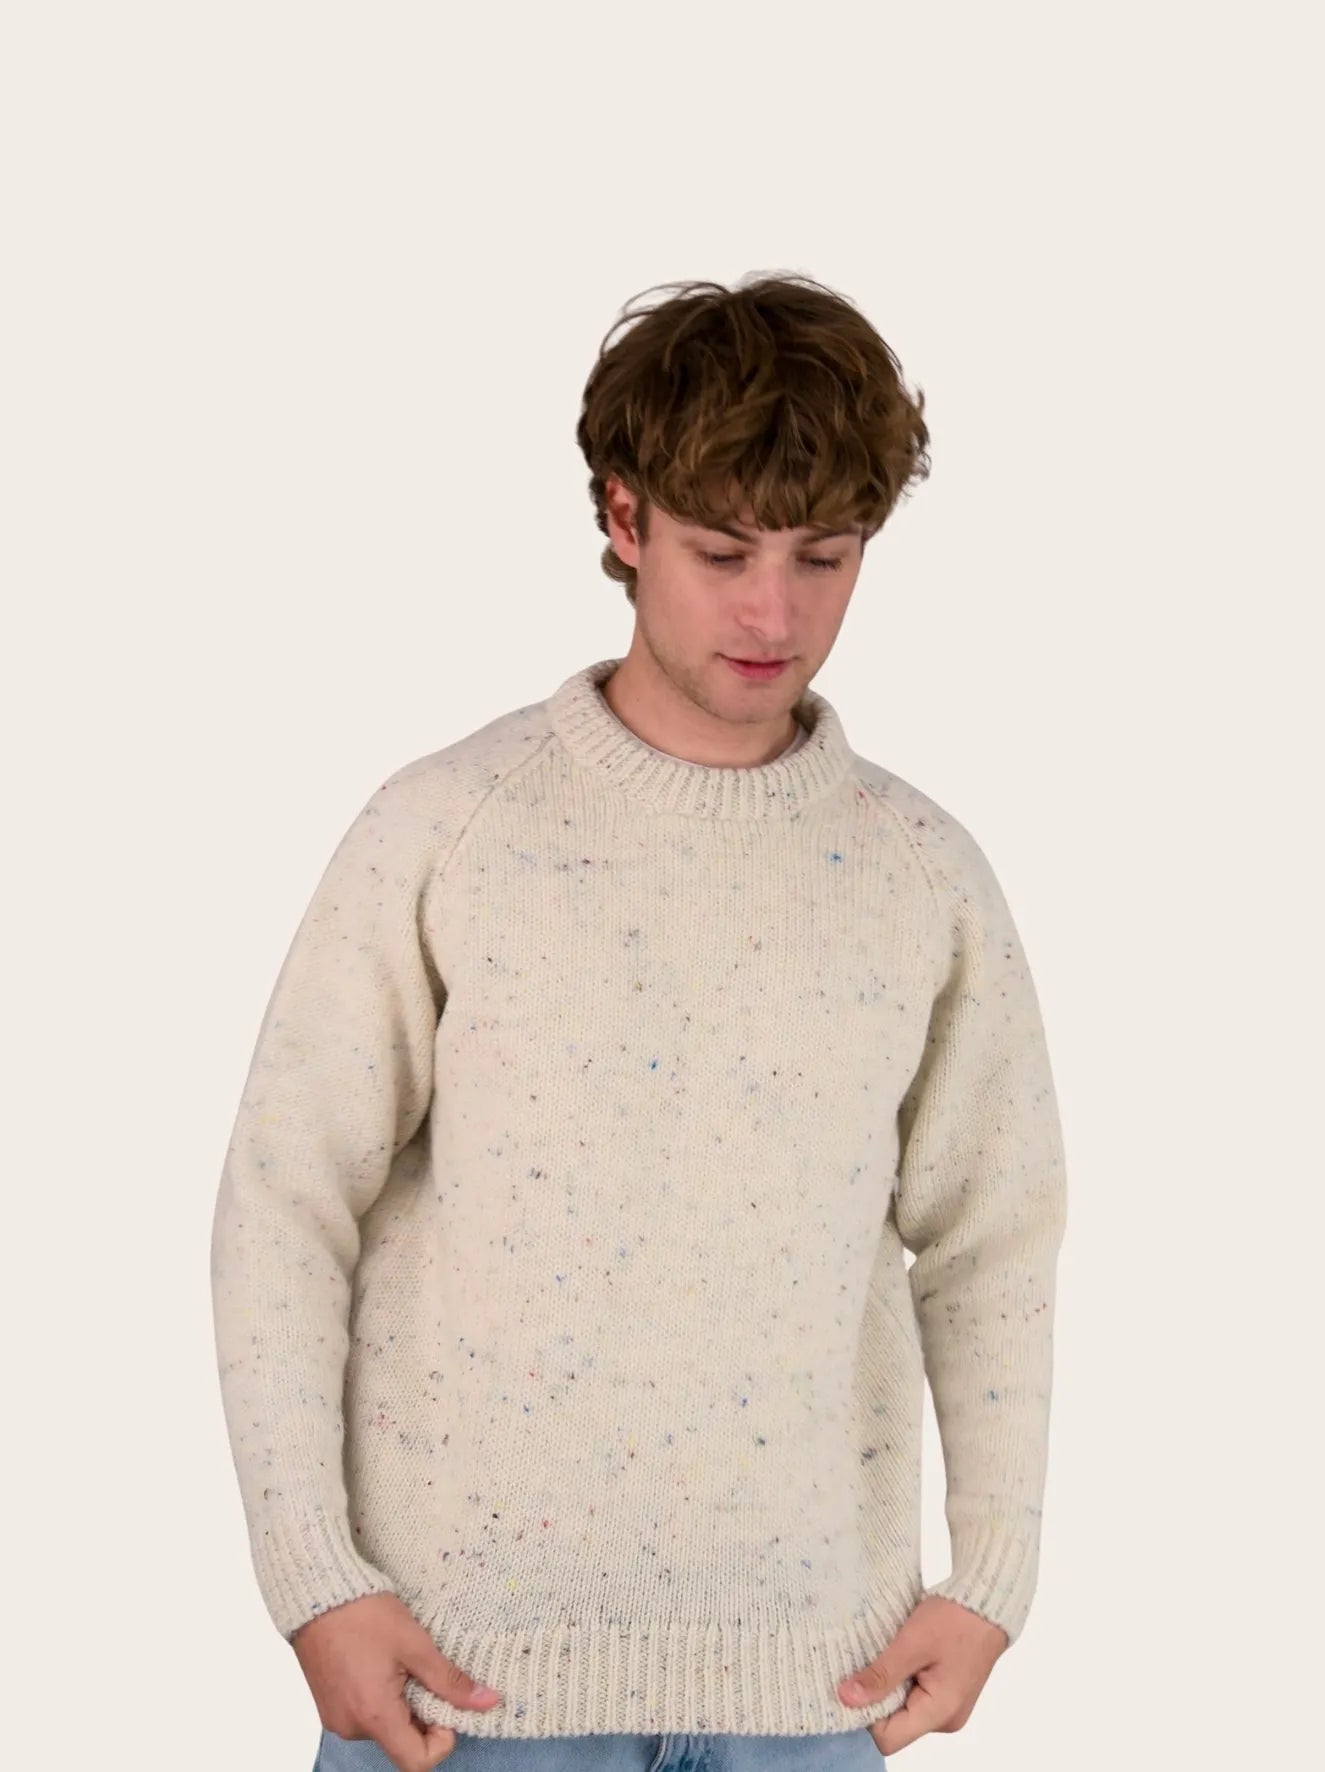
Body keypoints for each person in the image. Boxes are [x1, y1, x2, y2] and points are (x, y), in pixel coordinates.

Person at [209, 273, 1068, 1772]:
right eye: (722, 551)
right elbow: (285, 1202)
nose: (773, 612)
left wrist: (991, 1576)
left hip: (814, 1692)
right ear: (623, 517)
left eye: (824, 556)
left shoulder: (922, 875)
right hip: (463, 1697)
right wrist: (313, 1580)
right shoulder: (451, 828)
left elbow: (993, 1236)